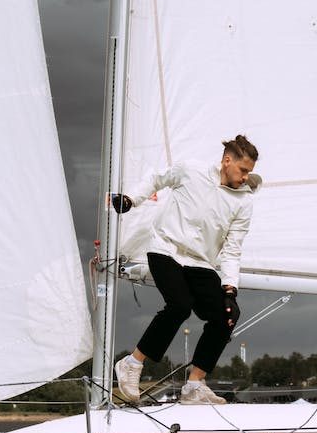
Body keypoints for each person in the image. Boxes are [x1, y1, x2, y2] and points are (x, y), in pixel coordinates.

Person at [110, 135, 260, 405]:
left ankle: (194, 386)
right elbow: (157, 179)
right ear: (227, 161)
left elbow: (233, 247)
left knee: (227, 314)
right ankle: (132, 364)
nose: (246, 177)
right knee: (180, 305)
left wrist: (230, 287)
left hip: (200, 263)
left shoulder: (244, 201)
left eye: (249, 172)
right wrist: (132, 199)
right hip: (165, 249)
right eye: (243, 170)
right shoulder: (192, 170)